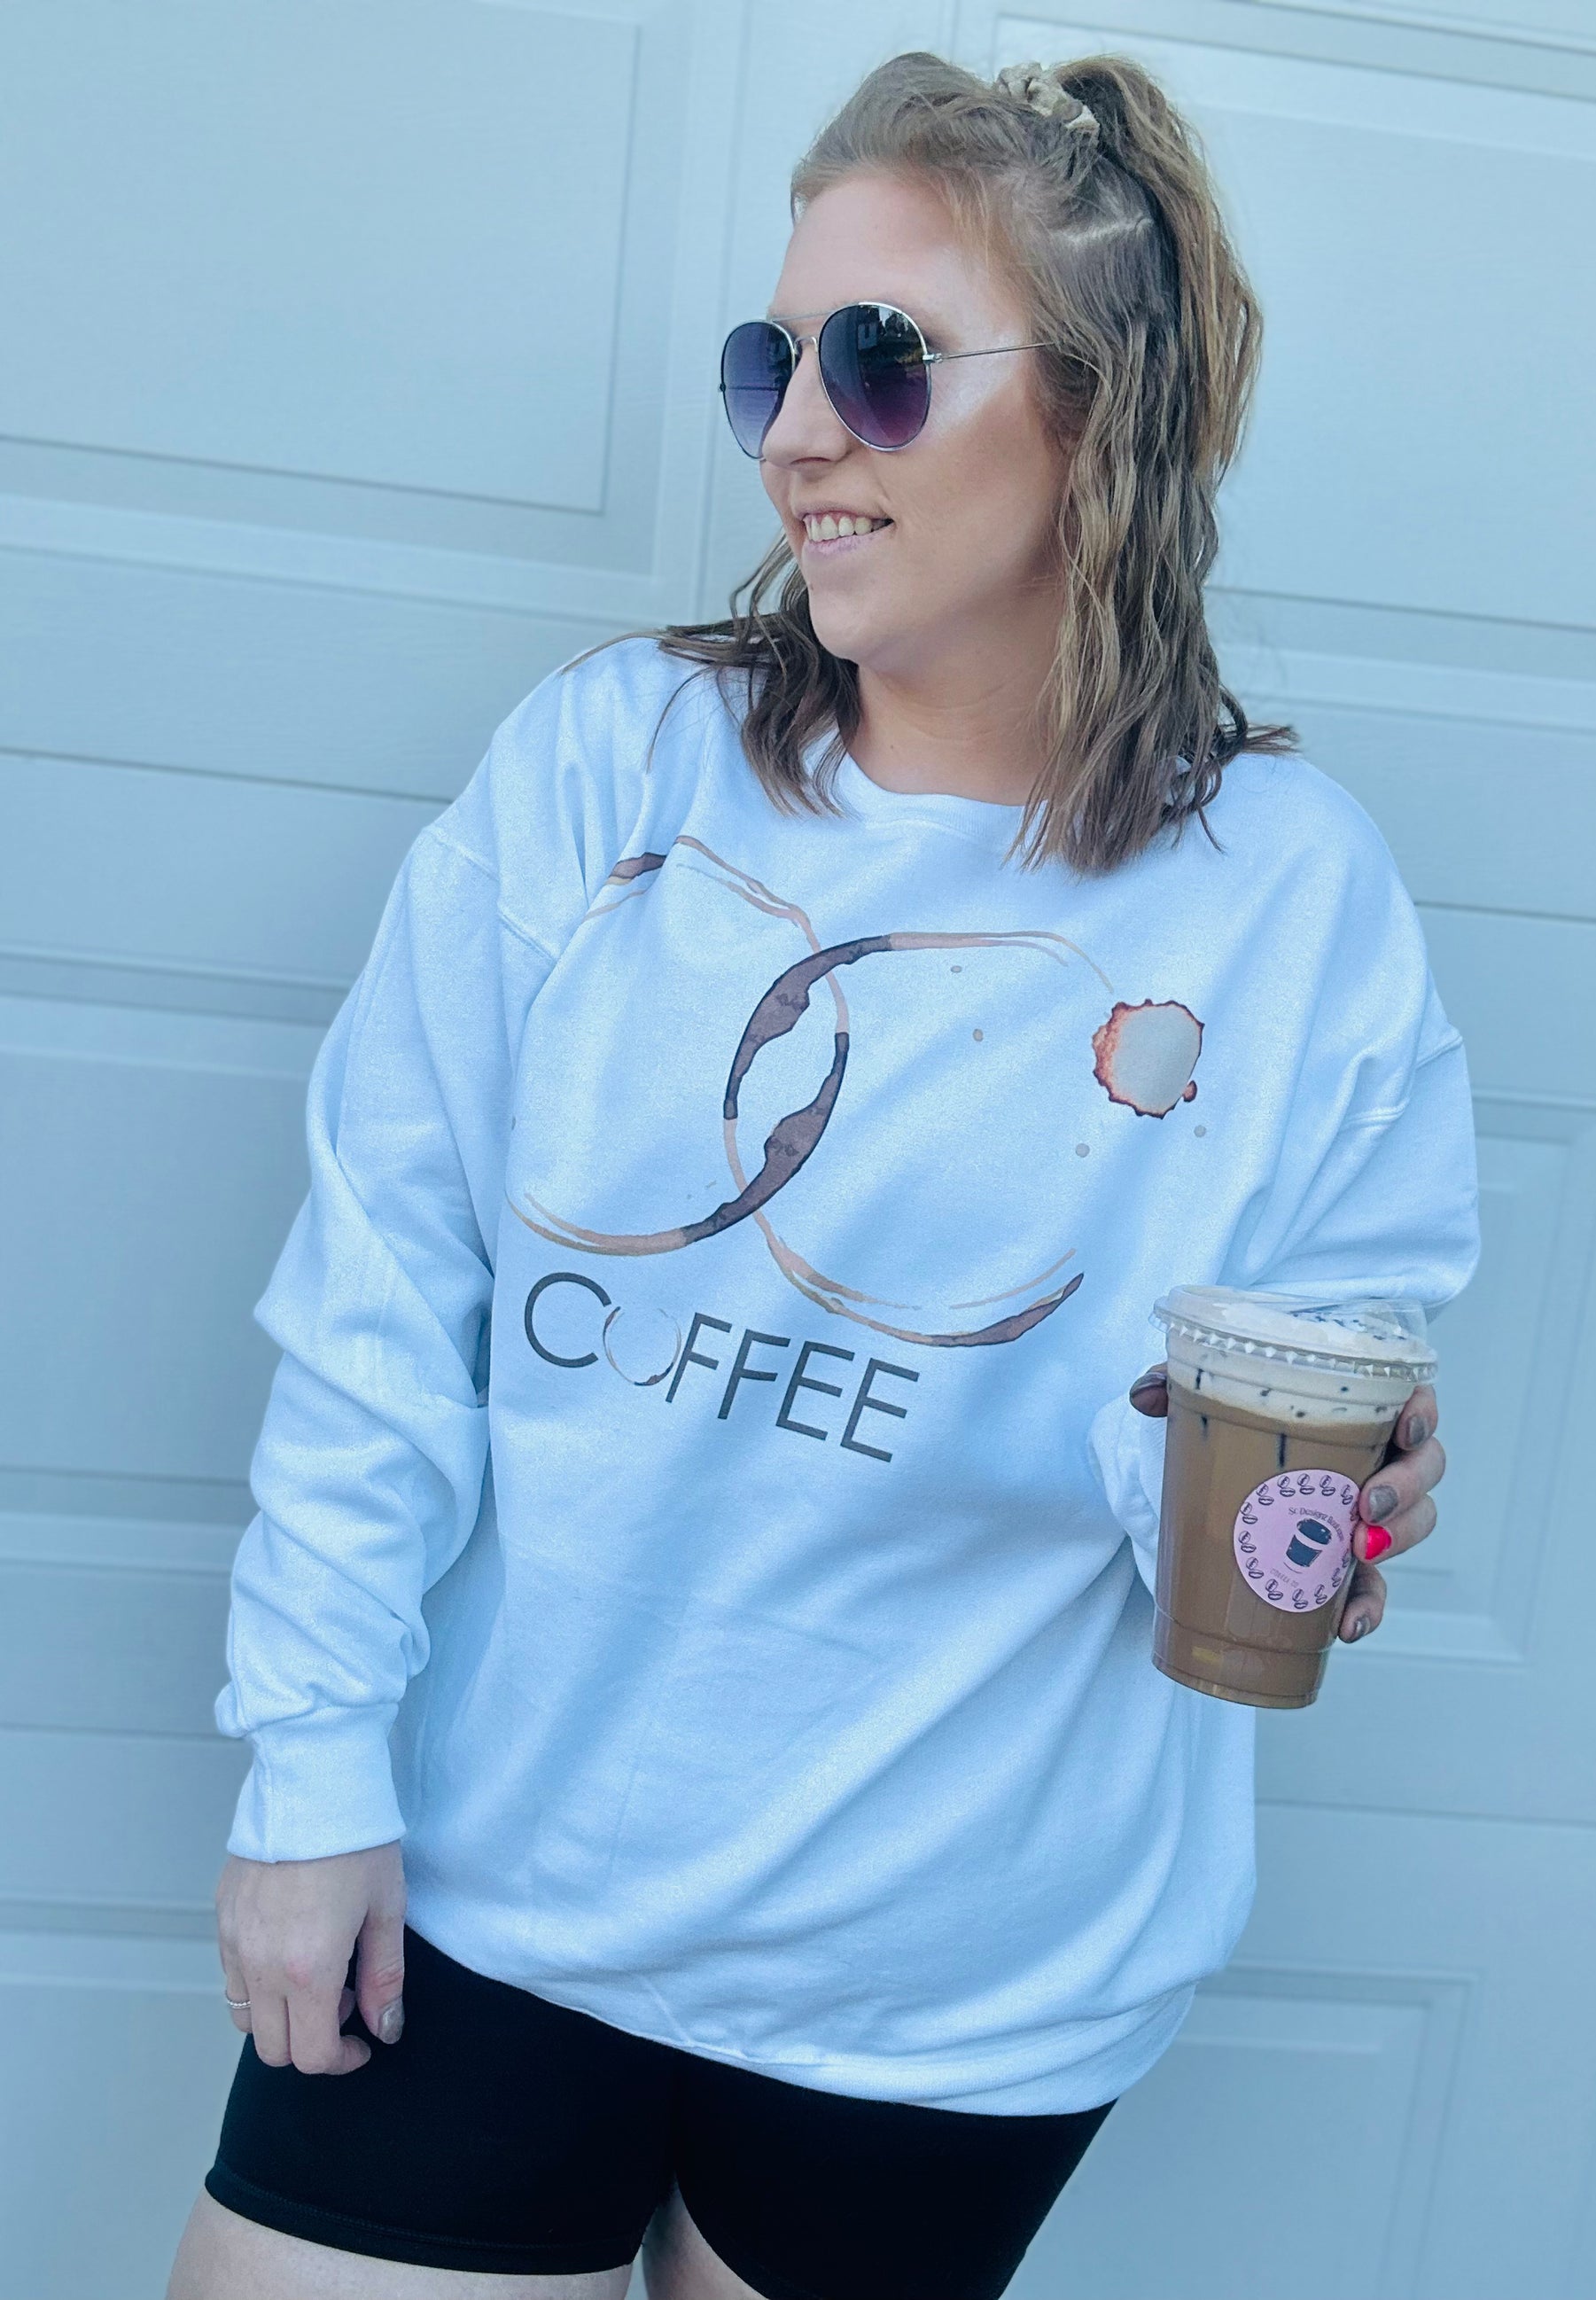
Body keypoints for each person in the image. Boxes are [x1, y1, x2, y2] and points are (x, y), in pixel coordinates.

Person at [167, 48, 1477, 2300]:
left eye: (877, 361)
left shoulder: (1292, 898)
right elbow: (383, 1288)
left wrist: (1319, 1498)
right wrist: (309, 1769)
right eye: (766, 360)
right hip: (494, 1891)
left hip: (961, 1989)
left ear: (1103, 413)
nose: (792, 433)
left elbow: (1253, 1415)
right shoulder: (611, 769)